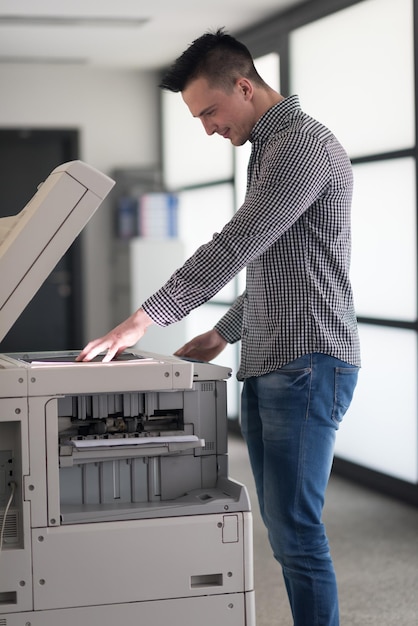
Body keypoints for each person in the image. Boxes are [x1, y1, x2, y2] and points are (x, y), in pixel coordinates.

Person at [77, 28, 361, 626]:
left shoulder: (303, 146)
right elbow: (283, 265)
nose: (207, 127)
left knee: (296, 528)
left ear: (243, 85)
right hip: (273, 356)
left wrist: (142, 320)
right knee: (283, 526)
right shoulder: (270, 144)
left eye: (209, 111)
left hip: (308, 362)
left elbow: (235, 246)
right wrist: (226, 331)